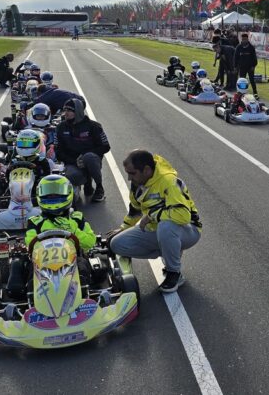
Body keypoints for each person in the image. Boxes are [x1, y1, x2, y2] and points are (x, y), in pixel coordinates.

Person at [108, 150, 202, 292]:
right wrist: (123, 228)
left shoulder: (169, 181)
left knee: (166, 226)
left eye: (132, 173)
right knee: (117, 244)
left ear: (146, 170)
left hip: (188, 230)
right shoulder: (137, 183)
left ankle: (174, 273)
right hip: (156, 228)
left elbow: (183, 215)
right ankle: (169, 250)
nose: (128, 178)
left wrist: (152, 215)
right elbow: (135, 209)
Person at [11, 175, 96, 296]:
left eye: (57, 194)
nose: (53, 197)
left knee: (82, 267)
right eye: (49, 195)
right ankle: (33, 297)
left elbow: (90, 242)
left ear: (68, 193)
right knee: (31, 274)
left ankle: (83, 294)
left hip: (72, 259)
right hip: (43, 261)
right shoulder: (35, 221)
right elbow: (31, 244)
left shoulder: (77, 218)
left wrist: (73, 230)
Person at [55, 98, 110, 202]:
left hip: (91, 160)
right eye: (64, 110)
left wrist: (84, 155)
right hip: (71, 162)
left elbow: (105, 146)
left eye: (69, 110)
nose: (65, 113)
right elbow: (58, 151)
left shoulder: (94, 126)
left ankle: (99, 188)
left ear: (78, 111)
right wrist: (74, 161)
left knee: (89, 157)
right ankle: (85, 181)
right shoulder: (61, 127)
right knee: (70, 175)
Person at [0, 129, 53, 206]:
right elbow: (8, 175)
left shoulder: (42, 160)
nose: (25, 147)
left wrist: (39, 177)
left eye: (28, 144)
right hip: (16, 184)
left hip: (35, 187)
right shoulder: (15, 160)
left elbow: (47, 175)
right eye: (22, 143)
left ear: (37, 144)